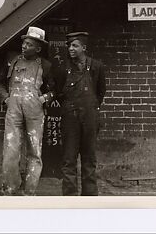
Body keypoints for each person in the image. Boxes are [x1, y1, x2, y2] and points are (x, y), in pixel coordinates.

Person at [0, 26, 55, 195]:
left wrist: (42, 99)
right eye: (24, 43)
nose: (24, 46)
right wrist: (6, 98)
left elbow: (54, 90)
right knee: (11, 150)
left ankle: (29, 191)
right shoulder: (12, 61)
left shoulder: (46, 65)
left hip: (35, 113)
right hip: (13, 110)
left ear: (38, 48)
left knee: (34, 151)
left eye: (29, 45)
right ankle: (10, 188)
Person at [53, 31, 106, 196]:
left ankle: (89, 197)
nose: (71, 48)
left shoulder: (97, 67)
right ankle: (69, 197)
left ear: (84, 47)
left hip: (90, 118)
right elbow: (59, 92)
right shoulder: (62, 69)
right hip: (70, 118)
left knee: (89, 158)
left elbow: (100, 93)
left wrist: (88, 109)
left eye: (75, 45)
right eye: (69, 45)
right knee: (69, 159)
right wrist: (71, 108)